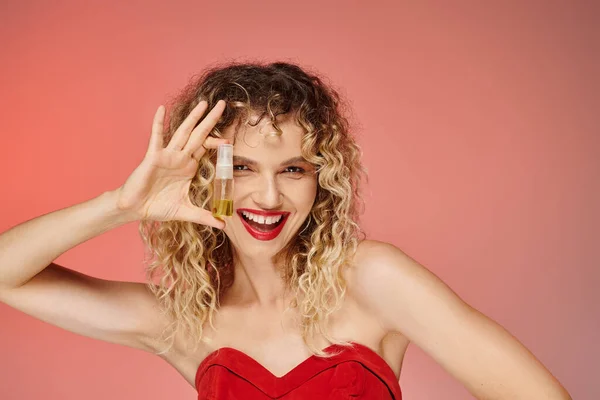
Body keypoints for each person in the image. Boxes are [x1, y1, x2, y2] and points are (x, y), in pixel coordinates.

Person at [0, 61, 571, 399]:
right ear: (206, 180)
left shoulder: (373, 279)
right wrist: (121, 206)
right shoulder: (182, 323)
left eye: (293, 170)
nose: (268, 197)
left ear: (321, 180)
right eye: (240, 168)